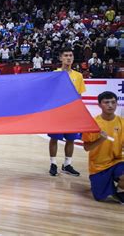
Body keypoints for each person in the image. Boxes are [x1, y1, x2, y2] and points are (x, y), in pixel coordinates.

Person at [48, 48, 86, 177]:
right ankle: (53, 163)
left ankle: (67, 164)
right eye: (66, 55)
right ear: (61, 58)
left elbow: (79, 95)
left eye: (70, 55)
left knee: (71, 139)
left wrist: (79, 112)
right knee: (54, 138)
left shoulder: (78, 76)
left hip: (72, 113)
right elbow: (50, 94)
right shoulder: (54, 74)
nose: (68, 58)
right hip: (57, 112)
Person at [83, 91, 124, 203]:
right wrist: (100, 140)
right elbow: (86, 147)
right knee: (100, 197)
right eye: (106, 102)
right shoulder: (93, 124)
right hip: (98, 166)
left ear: (117, 104)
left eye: (113, 102)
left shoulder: (122, 122)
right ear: (99, 105)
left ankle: (119, 191)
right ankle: (106, 183)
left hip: (117, 161)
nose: (110, 105)